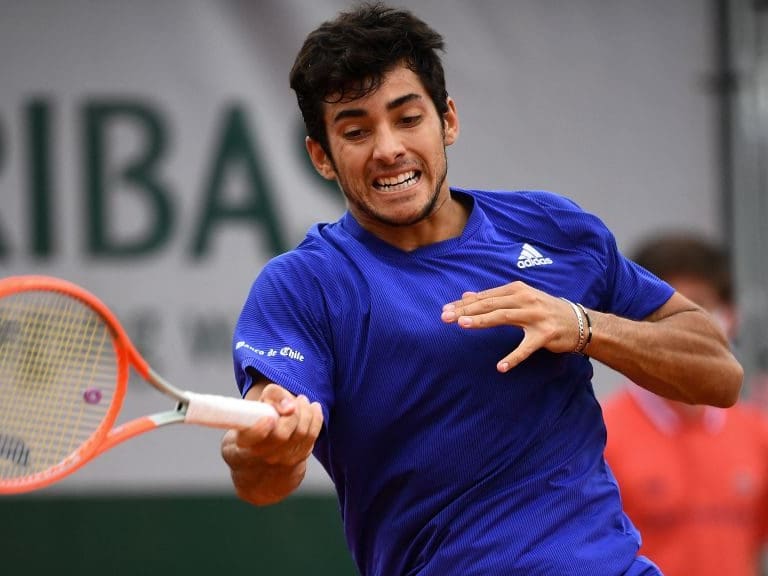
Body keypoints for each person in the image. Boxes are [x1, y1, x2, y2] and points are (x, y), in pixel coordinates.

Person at [220, 4, 743, 575]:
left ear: (447, 121)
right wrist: (268, 448)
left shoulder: (553, 228)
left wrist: (581, 325)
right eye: (355, 130)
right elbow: (263, 476)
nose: (388, 147)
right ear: (321, 156)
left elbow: (719, 373)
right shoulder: (302, 286)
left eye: (407, 117)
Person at [601, 233, 768, 576]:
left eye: (702, 307)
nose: (688, 328)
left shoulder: (757, 433)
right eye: (674, 310)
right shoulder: (598, 434)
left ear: (730, 317)